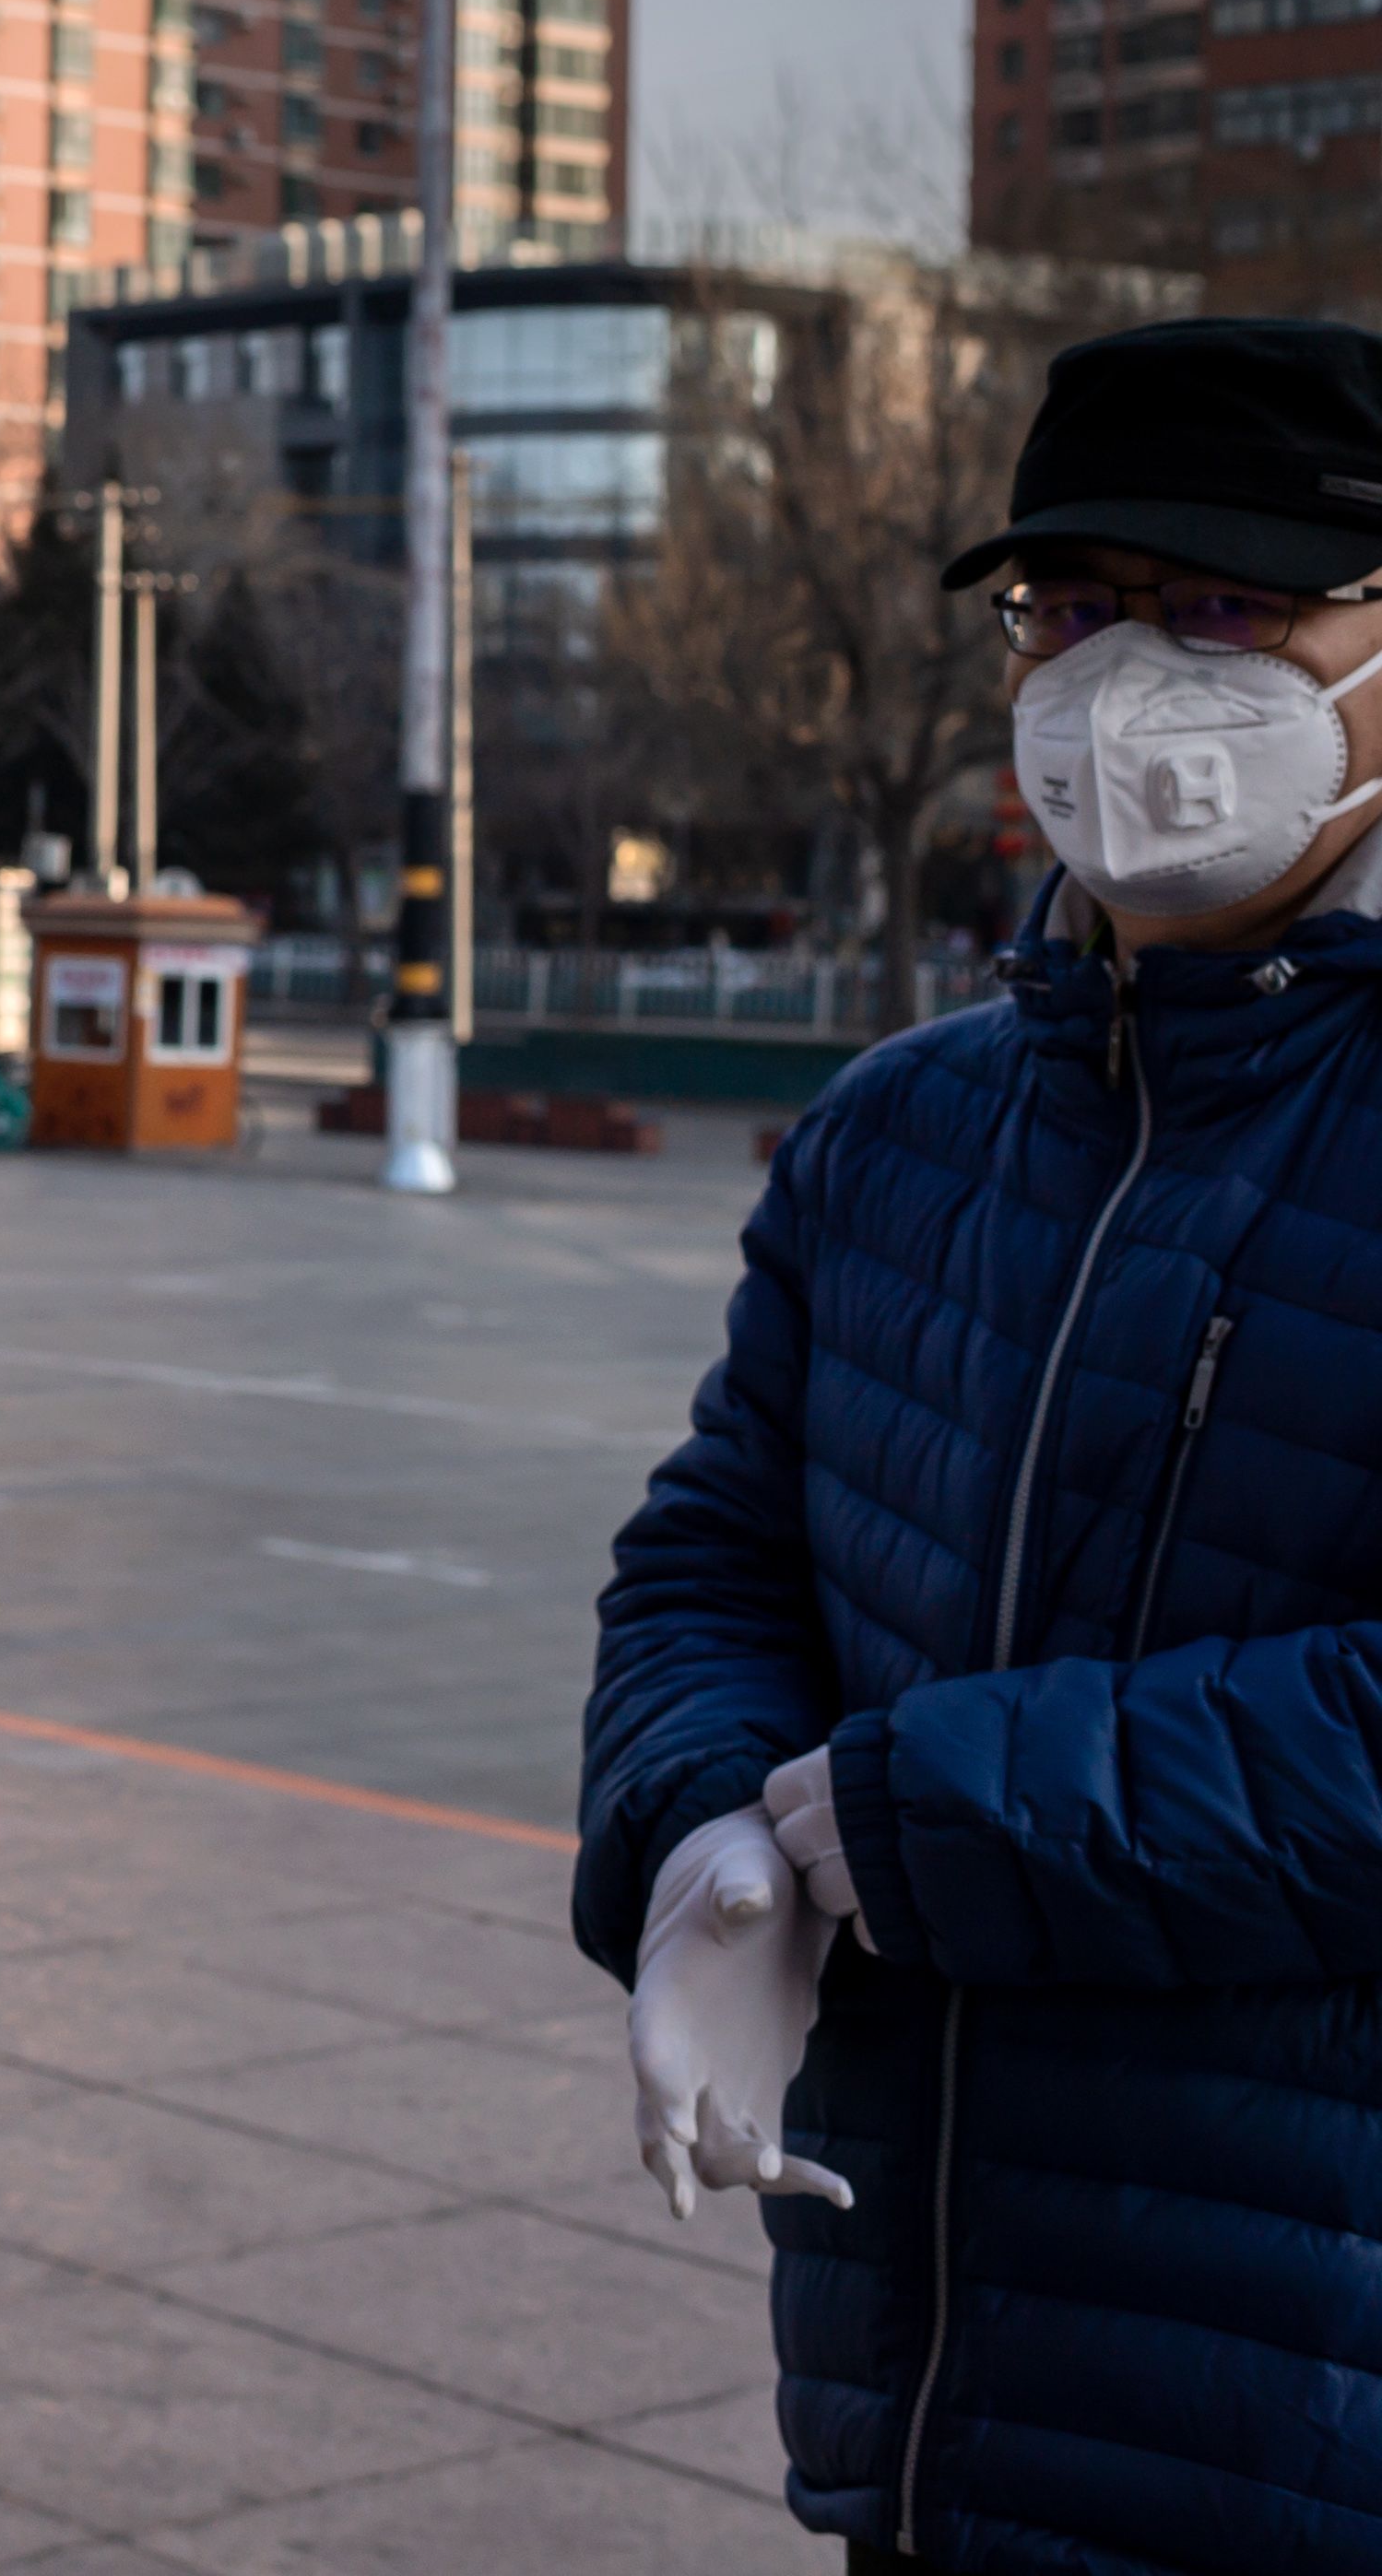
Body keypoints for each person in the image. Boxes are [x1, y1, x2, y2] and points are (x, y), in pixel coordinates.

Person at [582, 314, 1382, 2572]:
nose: (1133, 677)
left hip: (1312, 2417)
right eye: (1077, 606)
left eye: (1228, 608)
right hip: (931, 2403)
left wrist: (918, 1818)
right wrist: (697, 1836)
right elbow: (716, 1548)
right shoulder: (903, 1126)